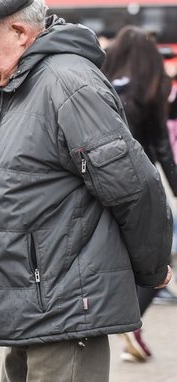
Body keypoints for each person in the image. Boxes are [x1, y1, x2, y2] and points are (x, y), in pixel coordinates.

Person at [0, 0, 173, 381]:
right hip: (33, 310)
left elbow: (134, 187)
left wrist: (151, 269)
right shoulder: (15, 84)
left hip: (65, 312)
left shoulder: (68, 84)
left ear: (19, 32)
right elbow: (10, 180)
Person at [102, 25, 177, 362]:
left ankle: (119, 327)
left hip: (104, 187)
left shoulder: (101, 84)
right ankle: (131, 322)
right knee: (157, 260)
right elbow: (161, 146)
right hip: (141, 189)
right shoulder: (151, 87)